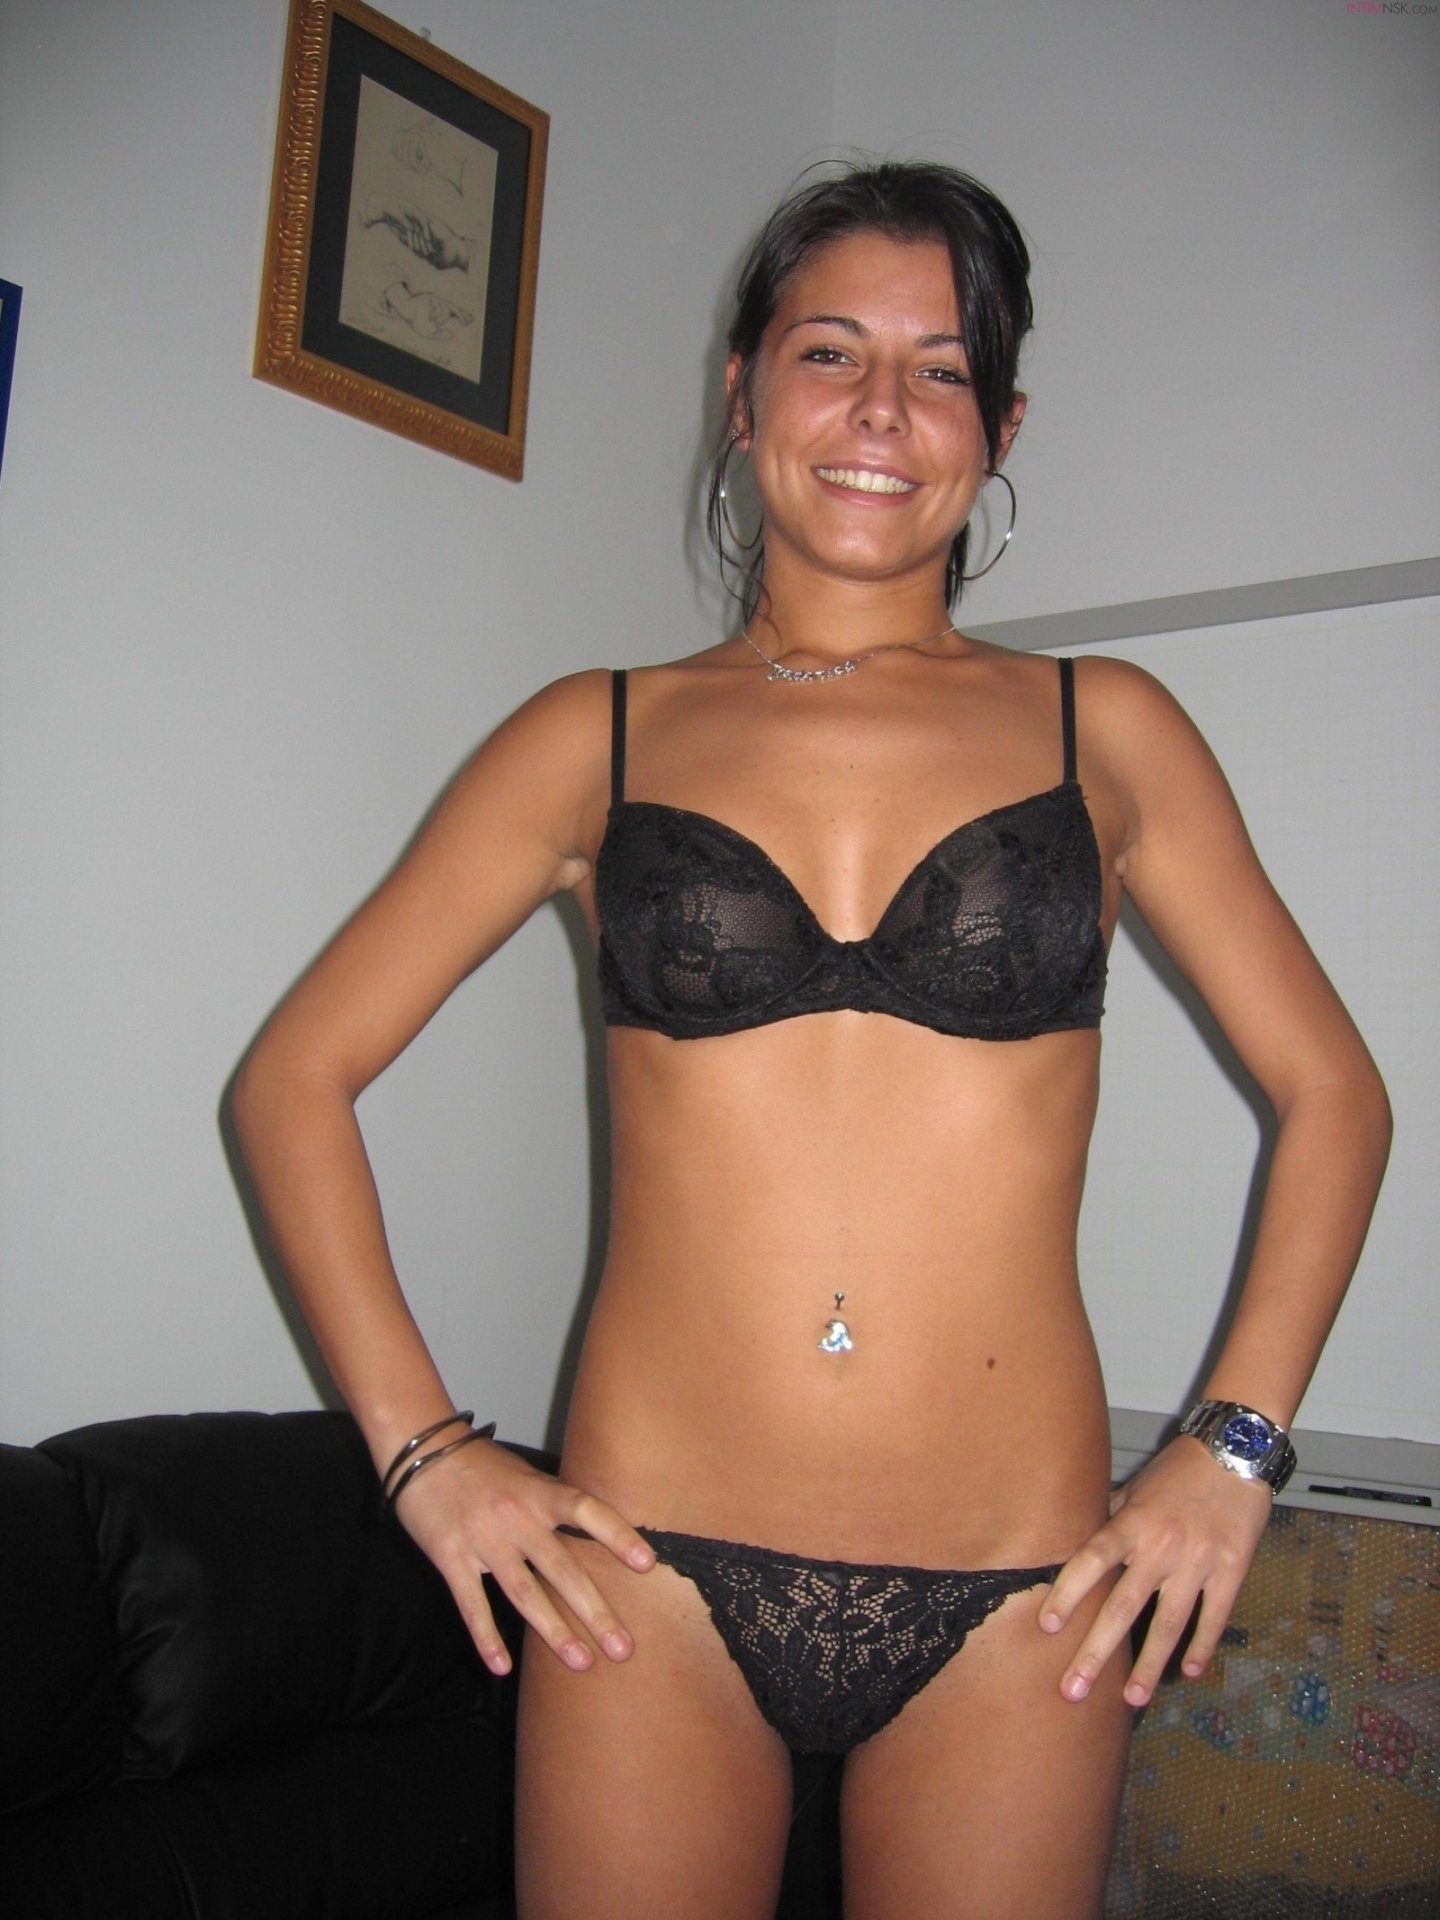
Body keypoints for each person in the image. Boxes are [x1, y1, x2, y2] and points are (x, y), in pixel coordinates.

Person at [232, 161, 1391, 1920]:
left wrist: (1230, 1454)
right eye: (831, 352)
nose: (881, 412)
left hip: (1020, 1590)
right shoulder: (593, 738)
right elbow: (292, 1080)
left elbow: (1335, 1095)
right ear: (744, 392)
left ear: (1002, 428)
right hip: (649, 1578)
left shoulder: (1107, 731)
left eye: (942, 370)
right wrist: (426, 1456)